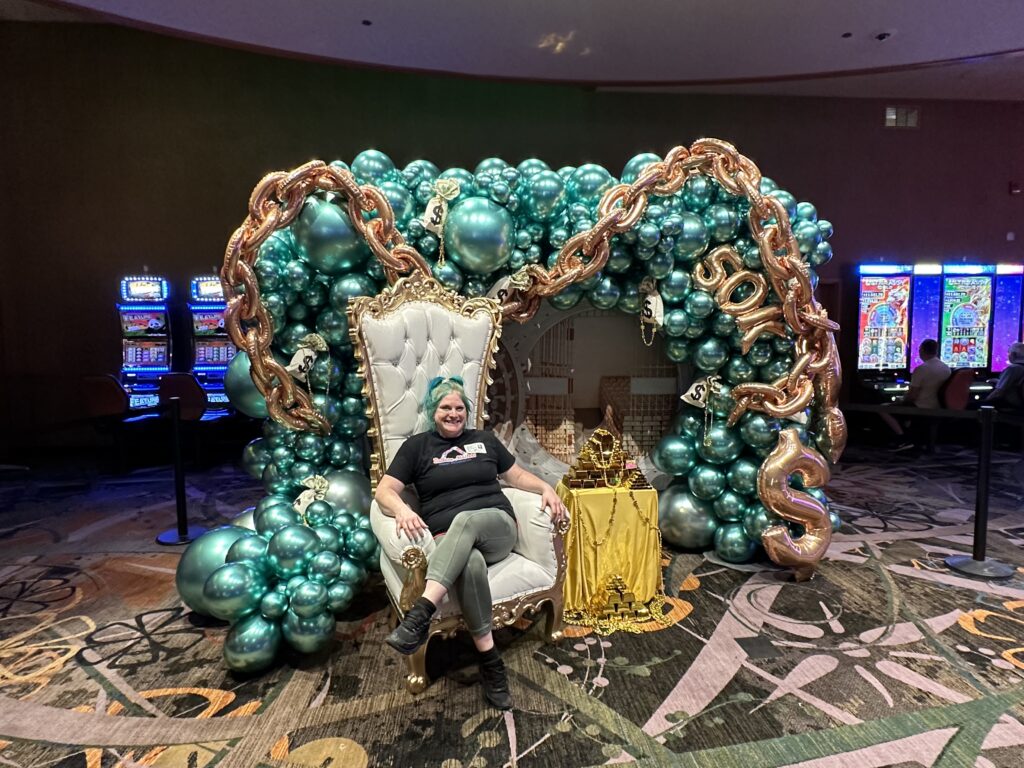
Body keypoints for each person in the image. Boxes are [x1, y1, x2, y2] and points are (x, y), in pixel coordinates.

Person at [373, 376, 568, 710]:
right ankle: (491, 663)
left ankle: (422, 612)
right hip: (450, 542)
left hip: (497, 527)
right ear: (434, 412)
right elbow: (384, 490)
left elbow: (516, 476)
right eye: (446, 408)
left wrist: (546, 488)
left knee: (466, 520)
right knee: (471, 564)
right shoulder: (417, 447)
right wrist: (402, 510)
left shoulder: (484, 440)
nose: (453, 414)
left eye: (459, 408)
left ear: (467, 411)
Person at [881, 339, 951, 449]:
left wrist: (901, 400)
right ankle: (911, 435)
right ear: (936, 351)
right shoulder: (946, 368)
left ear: (922, 351)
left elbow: (912, 396)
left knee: (883, 408)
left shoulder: (921, 369)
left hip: (920, 408)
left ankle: (902, 437)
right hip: (939, 407)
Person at [985, 342, 1024, 410]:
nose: (1008, 356)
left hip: (1012, 406)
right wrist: (999, 382)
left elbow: (998, 393)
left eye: (1008, 353)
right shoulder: (1020, 368)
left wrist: (985, 402)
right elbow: (1016, 384)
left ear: (1013, 354)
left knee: (973, 406)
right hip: (1021, 405)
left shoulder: (1012, 369)